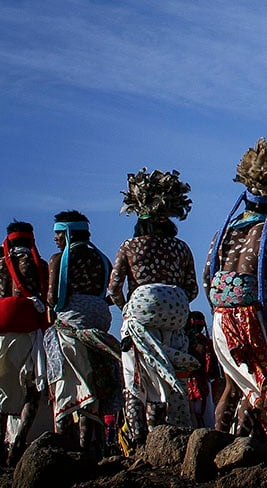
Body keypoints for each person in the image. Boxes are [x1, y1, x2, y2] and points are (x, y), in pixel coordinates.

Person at [205, 141, 267, 441]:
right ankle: (247, 449)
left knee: (233, 385)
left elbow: (208, 276)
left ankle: (217, 441)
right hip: (251, 319)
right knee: (259, 385)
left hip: (220, 318)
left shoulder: (224, 233)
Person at [109, 169, 198, 450]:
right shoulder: (181, 247)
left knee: (136, 378)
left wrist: (128, 311)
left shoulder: (129, 246)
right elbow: (192, 289)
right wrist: (173, 306)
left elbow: (113, 289)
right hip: (176, 315)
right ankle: (161, 433)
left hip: (140, 312)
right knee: (164, 372)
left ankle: (138, 440)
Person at [44, 211, 117, 456]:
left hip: (70, 325)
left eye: (57, 233)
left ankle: (67, 451)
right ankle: (91, 446)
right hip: (100, 323)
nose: (55, 238)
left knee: (69, 385)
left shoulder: (58, 259)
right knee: (91, 383)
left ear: (67, 233)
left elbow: (53, 298)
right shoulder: (102, 260)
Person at [0, 222, 49, 466]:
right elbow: (48, 299)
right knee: (32, 391)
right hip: (27, 334)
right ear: (30, 241)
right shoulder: (39, 265)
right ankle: (19, 442)